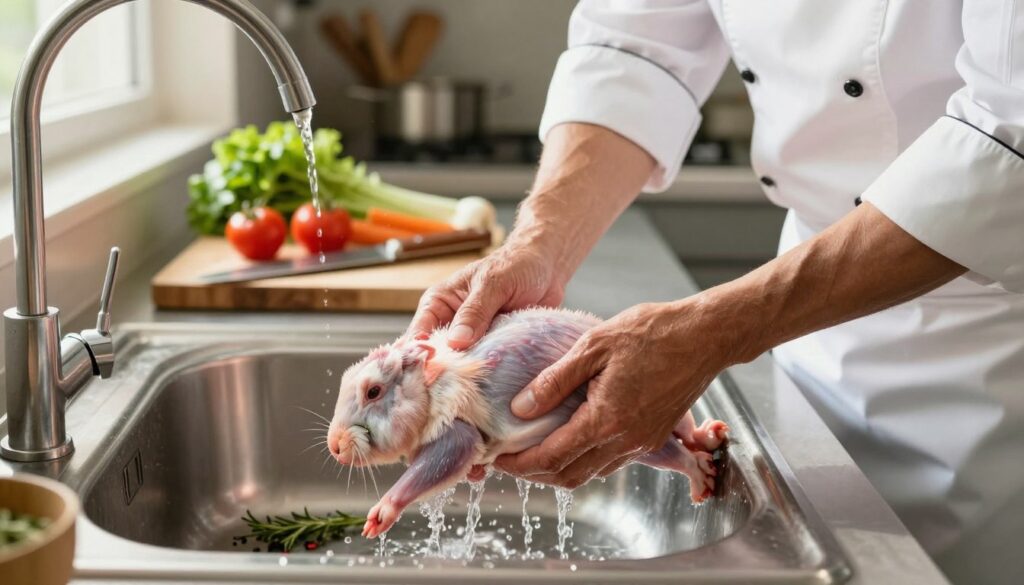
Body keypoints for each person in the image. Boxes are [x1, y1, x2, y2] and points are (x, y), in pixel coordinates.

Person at [407, 2, 1024, 583]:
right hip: (810, 340)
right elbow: (637, 48)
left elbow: (1006, 138)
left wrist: (717, 329)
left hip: (989, 360)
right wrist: (537, 247)